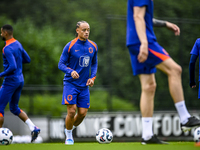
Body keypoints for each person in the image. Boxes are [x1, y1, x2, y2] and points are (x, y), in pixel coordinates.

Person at [126, 0, 200, 144]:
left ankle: (147, 135)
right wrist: (145, 43)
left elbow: (144, 18)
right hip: (143, 41)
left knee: (149, 86)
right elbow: (138, 17)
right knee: (175, 70)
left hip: (134, 42)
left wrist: (165, 24)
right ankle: (185, 117)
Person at [58, 21, 98, 145]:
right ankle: (69, 136)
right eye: (84, 29)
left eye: (88, 30)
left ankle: (68, 129)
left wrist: (92, 78)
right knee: (71, 111)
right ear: (77, 30)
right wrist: (70, 71)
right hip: (71, 84)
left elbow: (94, 63)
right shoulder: (70, 46)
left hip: (84, 86)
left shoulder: (93, 46)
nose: (86, 32)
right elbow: (61, 64)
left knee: (82, 114)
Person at [0, 24, 40, 142]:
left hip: (11, 81)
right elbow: (27, 59)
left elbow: (12, 66)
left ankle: (0, 134)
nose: (1, 34)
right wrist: (17, 61)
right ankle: (33, 127)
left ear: (5, 33)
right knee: (14, 108)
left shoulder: (6, 48)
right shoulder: (17, 44)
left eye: (1, 32)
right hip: (20, 80)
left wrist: (1, 74)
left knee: (0, 107)